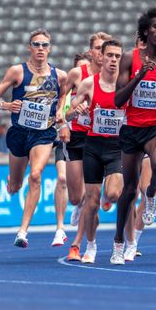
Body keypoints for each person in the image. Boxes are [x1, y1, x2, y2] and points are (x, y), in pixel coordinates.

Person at [111, 7, 156, 265]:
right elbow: (118, 99)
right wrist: (139, 77)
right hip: (132, 128)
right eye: (155, 27)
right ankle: (119, 242)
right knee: (128, 191)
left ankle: (151, 193)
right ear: (145, 30)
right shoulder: (130, 59)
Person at [0, 28, 67, 248]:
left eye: (45, 45)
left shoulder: (60, 76)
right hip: (19, 132)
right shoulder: (17, 72)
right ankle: (11, 183)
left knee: (36, 175)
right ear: (29, 47)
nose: (41, 49)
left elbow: (63, 97)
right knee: (16, 185)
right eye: (36, 44)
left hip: (43, 133)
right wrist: (7, 105)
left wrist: (60, 110)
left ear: (50, 48)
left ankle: (22, 231)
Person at [66, 39, 127, 263]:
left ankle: (116, 238)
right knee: (90, 203)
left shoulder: (126, 84)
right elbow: (69, 113)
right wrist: (77, 109)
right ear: (101, 57)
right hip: (93, 146)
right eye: (109, 55)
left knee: (111, 194)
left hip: (116, 148)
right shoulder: (89, 84)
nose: (112, 60)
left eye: (117, 56)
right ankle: (90, 246)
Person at [62, 33, 109, 261]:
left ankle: (77, 244)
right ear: (91, 51)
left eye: (105, 48)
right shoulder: (77, 74)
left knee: (92, 196)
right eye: (98, 48)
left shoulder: (113, 76)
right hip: (76, 137)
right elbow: (61, 100)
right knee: (75, 197)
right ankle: (79, 205)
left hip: (97, 138)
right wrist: (64, 120)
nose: (101, 53)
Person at [52, 52, 89, 248]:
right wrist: (62, 125)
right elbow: (59, 110)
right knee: (62, 178)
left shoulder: (93, 86)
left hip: (87, 138)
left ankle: (81, 205)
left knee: (85, 190)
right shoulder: (67, 93)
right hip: (66, 139)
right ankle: (60, 228)